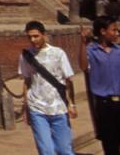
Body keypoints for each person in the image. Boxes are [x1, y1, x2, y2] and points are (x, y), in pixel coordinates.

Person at [19, 20, 77, 155]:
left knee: (65, 149)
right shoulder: (26, 56)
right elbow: (26, 81)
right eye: (30, 37)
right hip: (37, 106)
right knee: (46, 150)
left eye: (36, 36)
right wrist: (26, 105)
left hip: (59, 106)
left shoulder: (58, 53)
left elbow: (68, 80)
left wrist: (72, 104)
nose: (33, 40)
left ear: (43, 35)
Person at [80, 17, 120, 155]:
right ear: (103, 31)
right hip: (105, 105)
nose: (117, 33)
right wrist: (82, 43)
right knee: (111, 146)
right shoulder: (91, 51)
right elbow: (83, 66)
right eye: (114, 30)